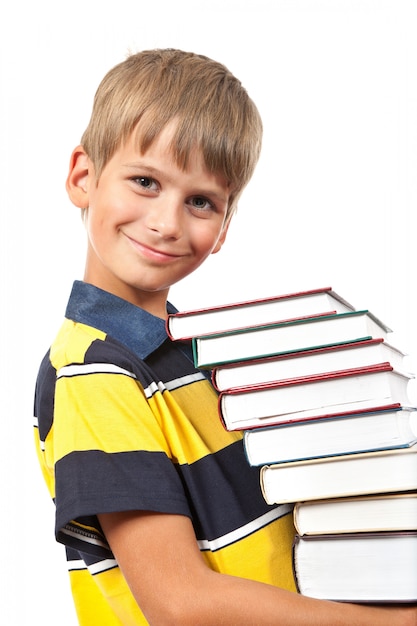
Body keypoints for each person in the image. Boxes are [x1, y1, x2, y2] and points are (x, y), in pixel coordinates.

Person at [33, 48, 416, 625]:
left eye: (200, 202)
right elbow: (179, 604)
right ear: (83, 176)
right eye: (144, 181)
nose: (166, 222)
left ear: (224, 228)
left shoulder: (189, 355)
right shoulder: (95, 372)